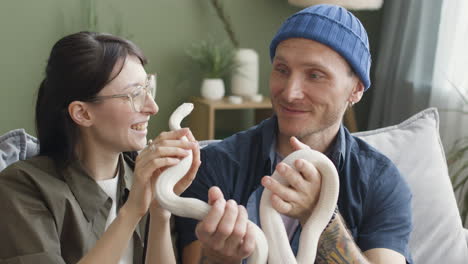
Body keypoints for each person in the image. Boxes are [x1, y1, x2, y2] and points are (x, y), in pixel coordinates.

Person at [175, 4, 413, 264]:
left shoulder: (380, 181)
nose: (289, 93)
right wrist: (221, 259)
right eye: (282, 70)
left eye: (315, 75)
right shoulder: (215, 165)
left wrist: (321, 217)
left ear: (355, 89)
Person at [0, 31, 201, 264]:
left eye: (148, 88)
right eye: (135, 94)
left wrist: (161, 209)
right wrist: (132, 210)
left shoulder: (145, 175)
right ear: (82, 113)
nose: (152, 107)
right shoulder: (22, 188)